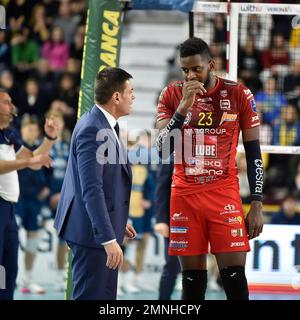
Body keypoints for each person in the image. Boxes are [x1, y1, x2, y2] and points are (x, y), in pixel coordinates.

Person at [156, 37, 264, 300]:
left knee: (235, 278)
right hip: (184, 196)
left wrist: (257, 203)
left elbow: (253, 153)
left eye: (196, 69)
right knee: (192, 284)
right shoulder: (172, 94)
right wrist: (183, 107)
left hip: (223, 194)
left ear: (211, 64)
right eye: (185, 70)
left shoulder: (239, 94)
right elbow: (161, 149)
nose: (190, 75)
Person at [54, 67, 136, 300]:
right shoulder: (93, 128)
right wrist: (108, 238)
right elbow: (91, 189)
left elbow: (106, 182)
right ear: (116, 97)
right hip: (92, 236)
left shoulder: (102, 124)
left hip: (98, 230)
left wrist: (118, 219)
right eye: (131, 91)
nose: (134, 97)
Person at [0, 89, 58, 300]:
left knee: (9, 268)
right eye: (6, 102)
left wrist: (50, 138)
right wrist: (28, 162)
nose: (11, 105)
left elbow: (34, 158)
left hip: (8, 208)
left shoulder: (10, 133)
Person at [16, 115, 50, 294]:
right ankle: (8, 278)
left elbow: (50, 173)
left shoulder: (42, 149)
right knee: (11, 238)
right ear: (21, 130)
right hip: (17, 200)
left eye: (33, 128)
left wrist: (46, 189)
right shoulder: (16, 146)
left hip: (35, 202)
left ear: (37, 131)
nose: (30, 131)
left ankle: (27, 281)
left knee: (33, 242)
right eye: (27, 128)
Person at [154, 160, 181, 300]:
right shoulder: (172, 155)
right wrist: (161, 220)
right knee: (172, 264)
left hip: (199, 219)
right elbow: (162, 187)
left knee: (196, 269)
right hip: (174, 220)